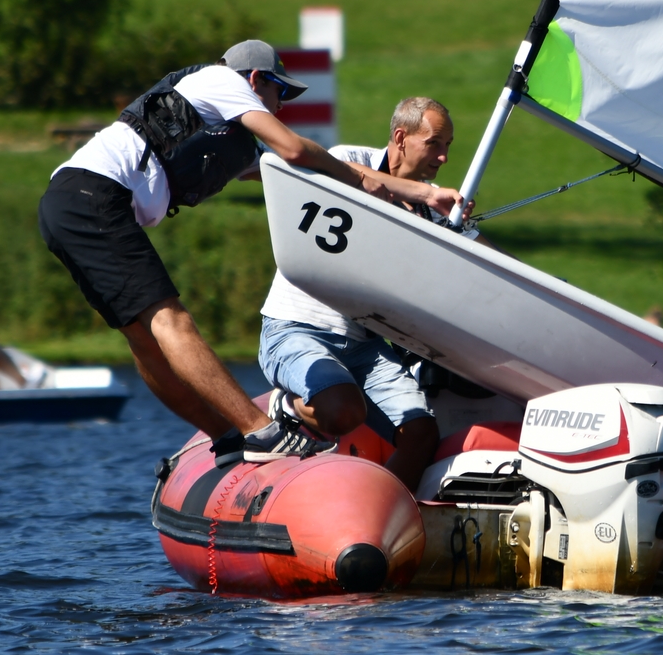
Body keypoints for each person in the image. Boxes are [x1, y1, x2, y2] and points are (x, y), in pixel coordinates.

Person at [38, 42, 463, 465]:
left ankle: (224, 435)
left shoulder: (219, 127)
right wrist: (368, 178)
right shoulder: (222, 81)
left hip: (66, 205)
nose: (280, 107)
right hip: (93, 195)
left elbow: (305, 170)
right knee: (172, 321)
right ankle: (261, 430)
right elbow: (296, 149)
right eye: (280, 91)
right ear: (256, 79)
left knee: (145, 341)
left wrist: (427, 194)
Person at [258, 97, 475, 489]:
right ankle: (287, 407)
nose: (443, 157)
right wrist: (421, 195)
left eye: (448, 146)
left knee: (422, 434)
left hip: (364, 345)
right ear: (400, 138)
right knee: (344, 411)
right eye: (435, 144)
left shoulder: (433, 211)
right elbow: (332, 167)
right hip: (297, 327)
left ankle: (380, 507)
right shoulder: (346, 158)